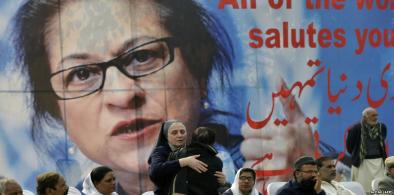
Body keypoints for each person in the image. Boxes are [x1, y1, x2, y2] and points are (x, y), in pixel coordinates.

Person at [12, 0, 315, 194]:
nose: (122, 94)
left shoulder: (261, 175)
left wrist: (292, 184)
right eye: (81, 74)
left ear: (199, 71)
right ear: (55, 110)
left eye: (143, 56)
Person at [149, 120, 220, 195]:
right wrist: (184, 162)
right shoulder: (160, 151)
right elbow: (155, 170)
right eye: (174, 133)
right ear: (166, 136)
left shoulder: (192, 150)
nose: (180, 135)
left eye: (182, 132)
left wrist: (221, 181)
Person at [169, 126, 224, 195]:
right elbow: (217, 183)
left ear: (192, 139)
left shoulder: (177, 156)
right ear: (212, 142)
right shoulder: (217, 161)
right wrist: (223, 183)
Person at [346, 107, 387, 193]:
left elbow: (382, 143)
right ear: (365, 117)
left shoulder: (381, 127)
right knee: (363, 190)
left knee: (379, 189)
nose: (375, 118)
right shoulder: (355, 129)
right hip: (362, 164)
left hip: (378, 164)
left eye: (376, 115)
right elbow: (350, 147)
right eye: (373, 115)